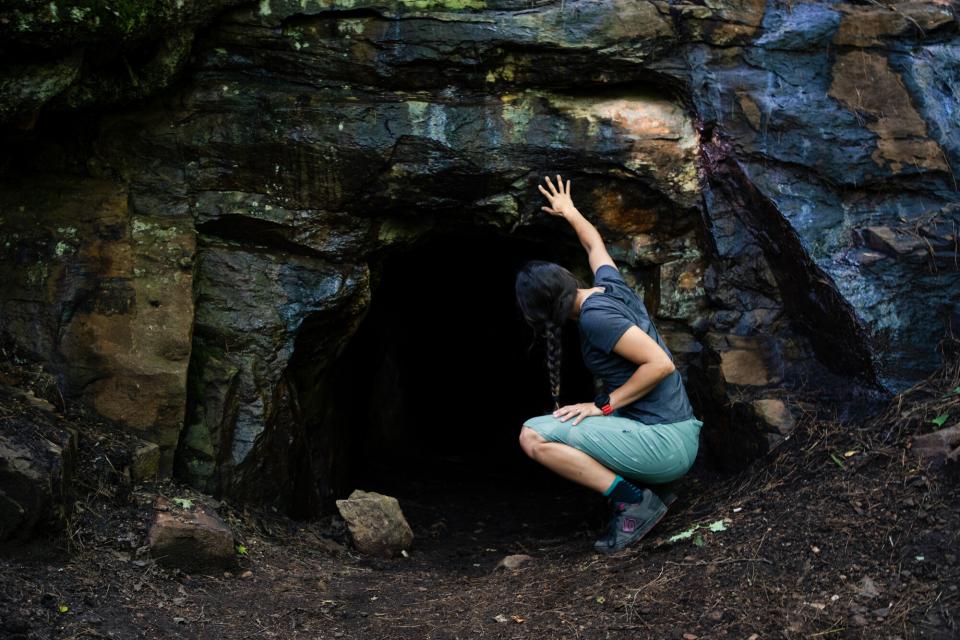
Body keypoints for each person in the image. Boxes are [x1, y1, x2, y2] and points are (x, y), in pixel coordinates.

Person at [515, 174, 703, 554]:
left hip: (667, 444)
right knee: (565, 422)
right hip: (672, 435)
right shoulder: (607, 286)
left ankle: (634, 502)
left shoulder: (595, 318)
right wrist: (570, 213)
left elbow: (659, 363)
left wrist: (603, 405)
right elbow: (594, 243)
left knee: (532, 436)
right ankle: (650, 490)